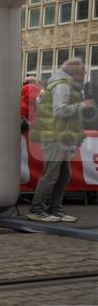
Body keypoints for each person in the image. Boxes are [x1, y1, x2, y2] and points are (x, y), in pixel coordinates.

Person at [28, 58, 94, 222]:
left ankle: (55, 208)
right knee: (51, 174)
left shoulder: (66, 84)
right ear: (73, 71)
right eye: (82, 71)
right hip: (55, 135)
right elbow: (60, 111)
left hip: (61, 135)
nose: (85, 73)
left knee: (64, 174)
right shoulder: (63, 85)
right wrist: (83, 105)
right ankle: (37, 209)